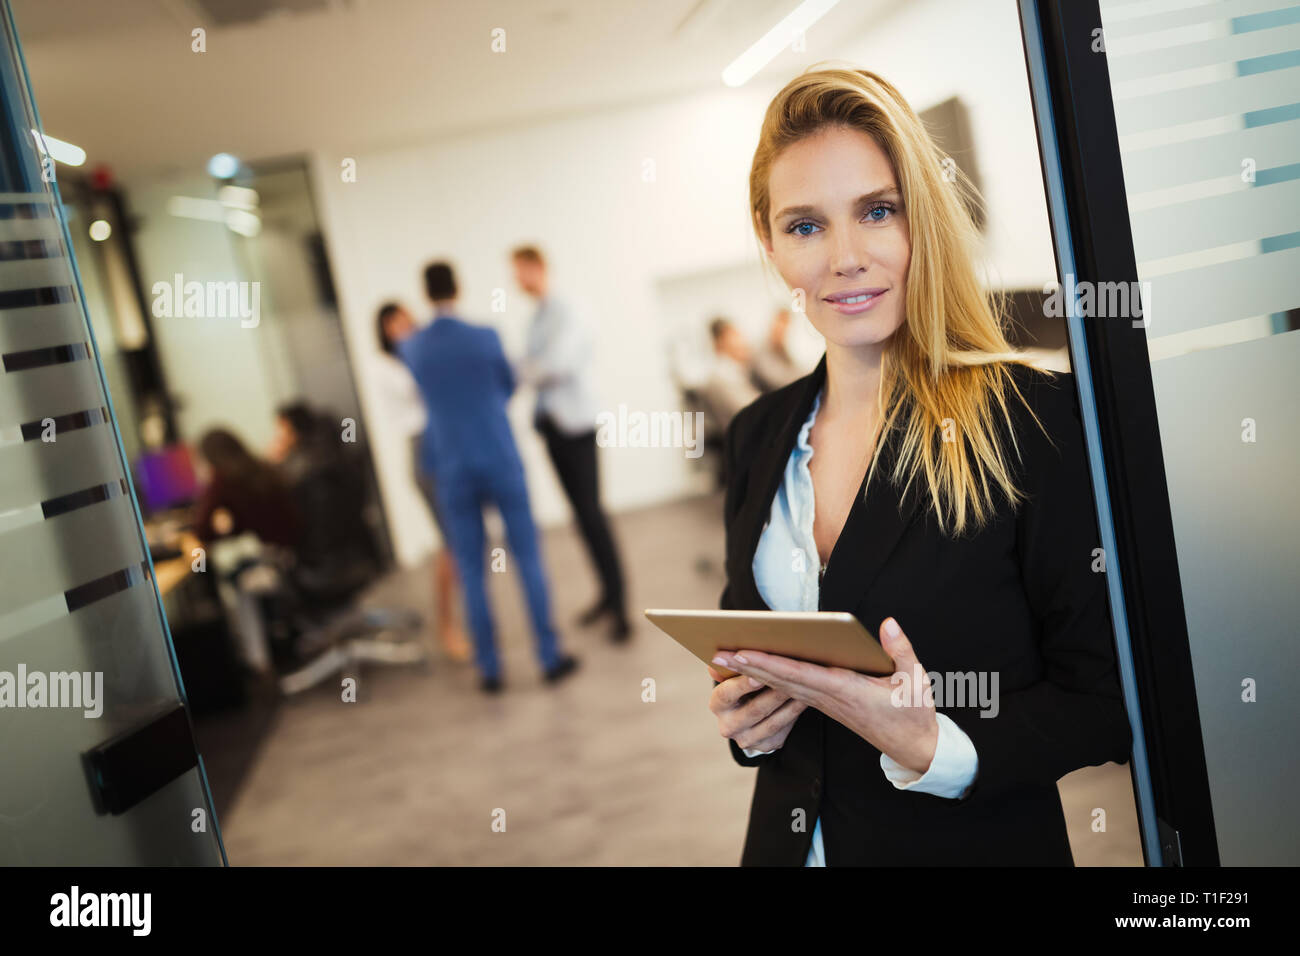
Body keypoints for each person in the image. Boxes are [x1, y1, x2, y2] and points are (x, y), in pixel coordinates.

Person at [707, 67, 1131, 866]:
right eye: (805, 226)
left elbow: (1102, 703)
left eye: (876, 211)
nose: (845, 258)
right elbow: (748, 662)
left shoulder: (1030, 416)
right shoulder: (761, 433)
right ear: (770, 243)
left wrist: (940, 746)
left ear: (921, 219)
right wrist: (745, 721)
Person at [398, 261, 578, 693]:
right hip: (498, 454)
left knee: (472, 570)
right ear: (457, 288)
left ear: (425, 295)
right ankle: (549, 657)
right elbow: (508, 386)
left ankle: (490, 669)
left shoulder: (414, 348)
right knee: (528, 557)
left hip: (451, 465)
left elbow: (422, 393)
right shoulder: (486, 337)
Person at [511, 245, 630, 642]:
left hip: (576, 427)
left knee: (593, 514)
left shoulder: (570, 310)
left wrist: (530, 369)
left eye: (520, 271)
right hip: (551, 428)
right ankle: (605, 595)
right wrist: (531, 369)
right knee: (579, 516)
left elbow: (557, 365)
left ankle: (621, 609)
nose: (516, 280)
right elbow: (531, 367)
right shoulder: (536, 318)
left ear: (538, 267)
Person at [372, 303, 473, 664]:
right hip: (425, 452)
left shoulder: (420, 354)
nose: (403, 327)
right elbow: (427, 391)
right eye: (393, 324)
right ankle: (448, 627)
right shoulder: (391, 368)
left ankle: (463, 621)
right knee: (452, 544)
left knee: (462, 543)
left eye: (405, 319)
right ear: (384, 331)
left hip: (446, 445)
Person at [699, 317, 760, 431]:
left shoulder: (735, 372)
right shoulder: (721, 377)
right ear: (721, 342)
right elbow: (754, 413)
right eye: (735, 335)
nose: (743, 341)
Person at [750, 308, 803, 392]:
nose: (782, 331)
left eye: (785, 327)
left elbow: (795, 370)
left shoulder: (783, 350)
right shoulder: (759, 349)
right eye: (779, 326)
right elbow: (774, 380)